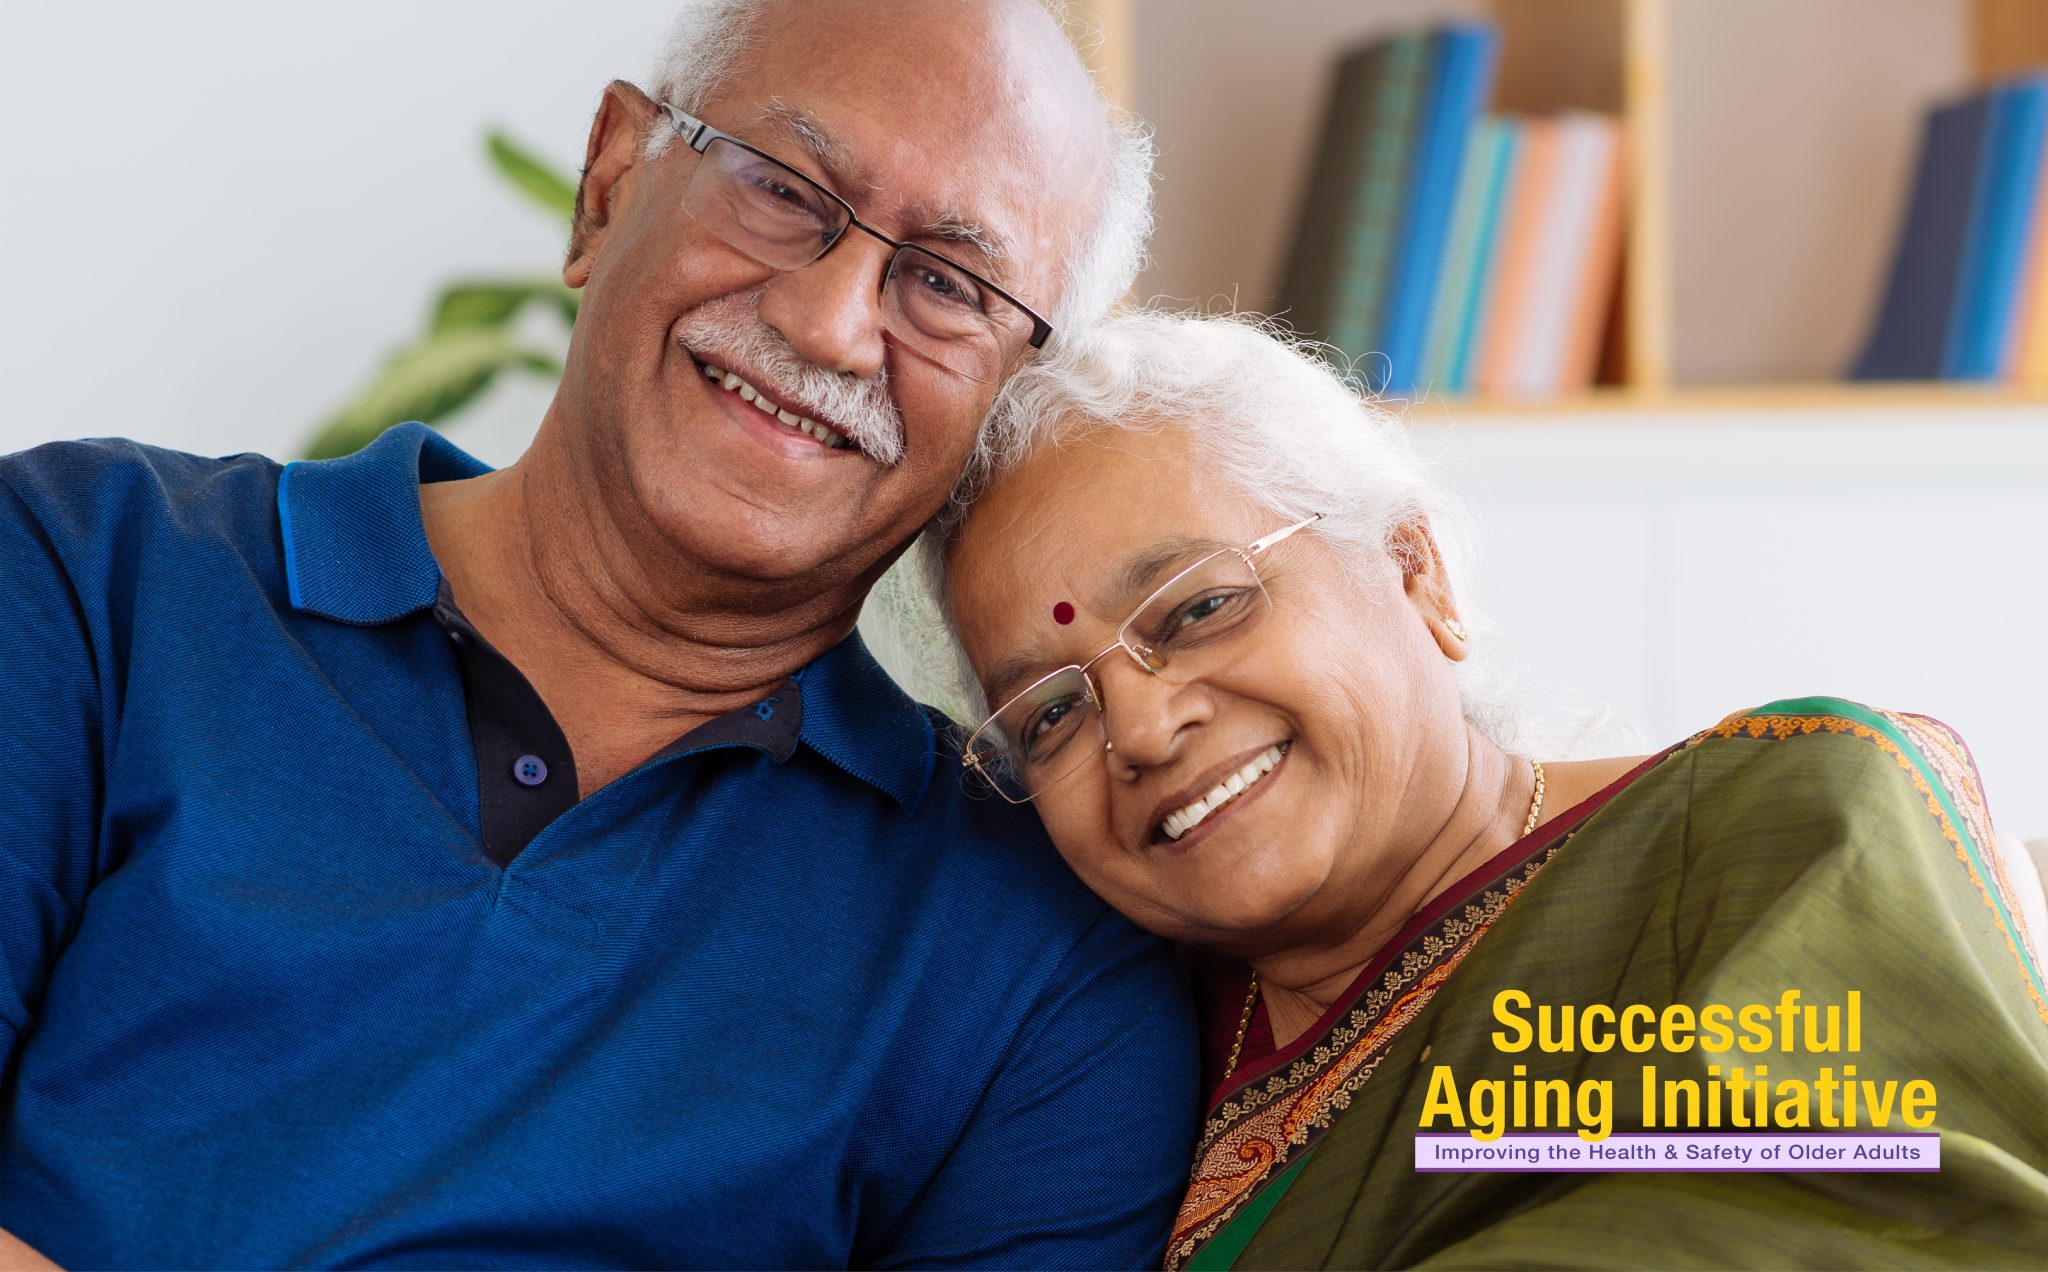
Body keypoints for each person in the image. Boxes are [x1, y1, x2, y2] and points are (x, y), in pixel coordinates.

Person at [0, 2, 1201, 1266]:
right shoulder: (88, 572)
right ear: (610, 180)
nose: (830, 324)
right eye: (786, 190)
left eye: (949, 285)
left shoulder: (1042, 969)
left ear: (1011, 402)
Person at [920, 310, 2048, 1268]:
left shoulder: (1782, 835)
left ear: (1416, 570)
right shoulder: (1084, 1042)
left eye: (1199, 608)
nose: (1144, 727)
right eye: (1050, 714)